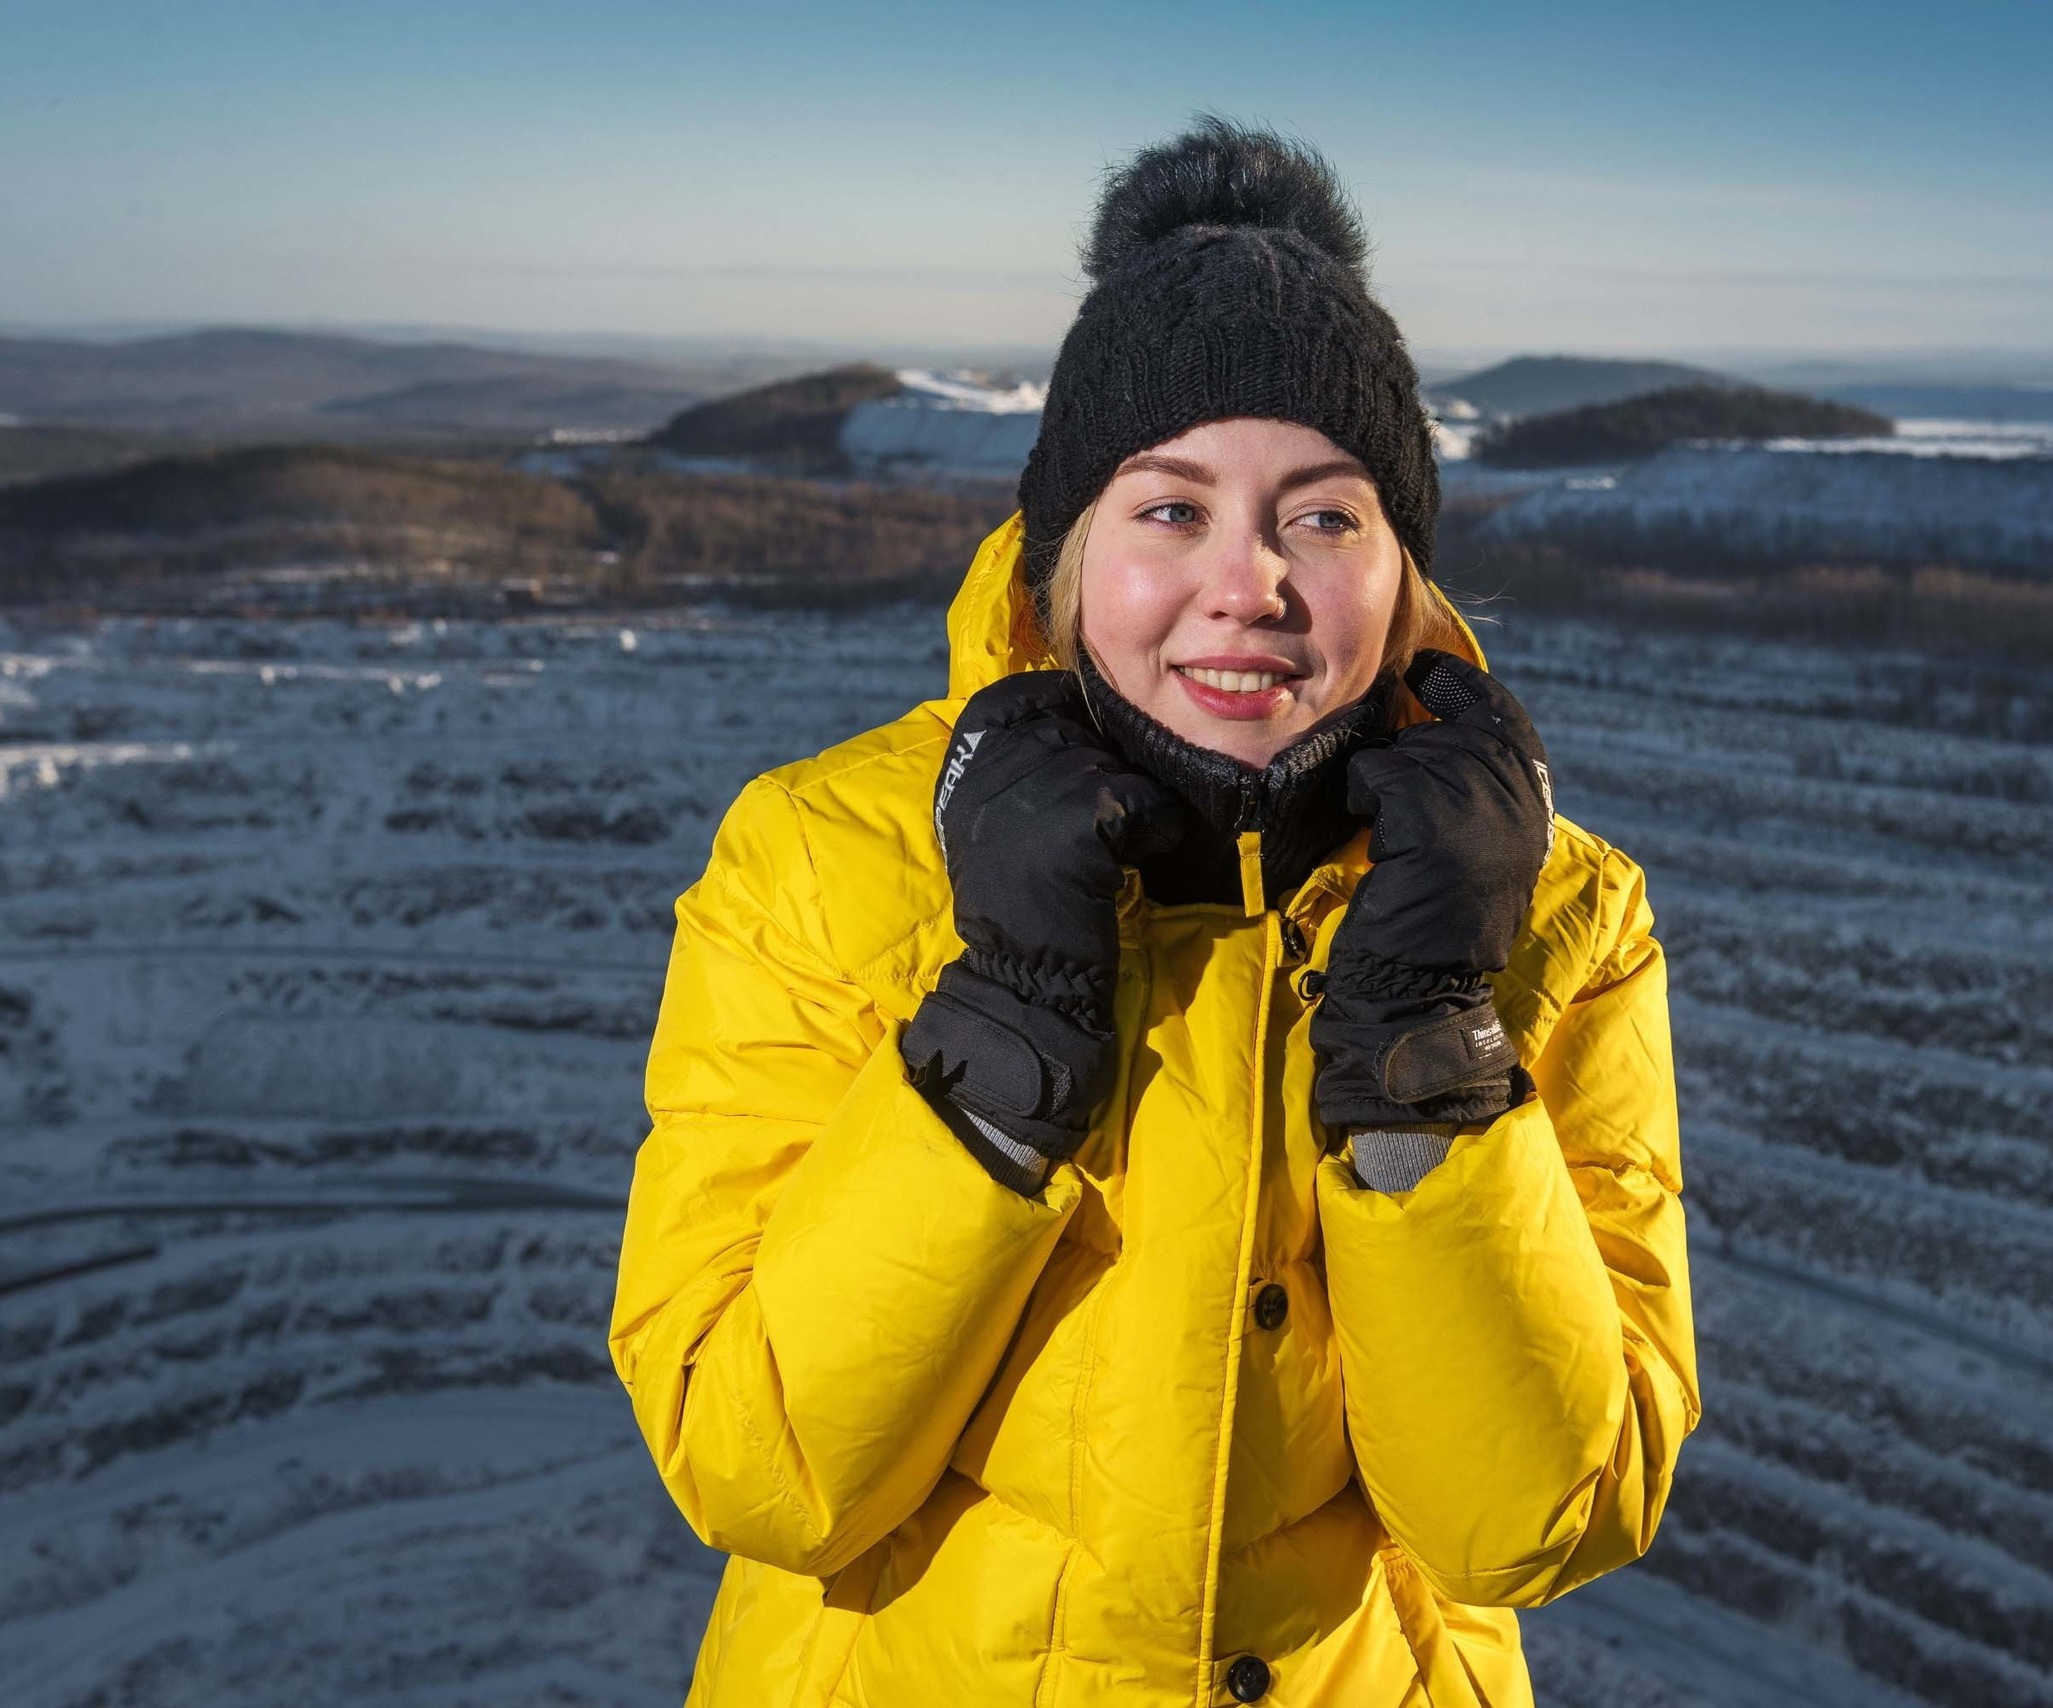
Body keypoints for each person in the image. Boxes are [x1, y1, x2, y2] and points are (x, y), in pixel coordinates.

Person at [610, 116, 1700, 1708]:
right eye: (1171, 508)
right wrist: (1002, 1032)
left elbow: (1529, 1524)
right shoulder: (822, 859)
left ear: (1403, 568)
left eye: (1324, 515)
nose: (1247, 580)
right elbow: (755, 1472)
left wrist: (1428, 1043)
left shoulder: (1555, 914)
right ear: (1068, 549)